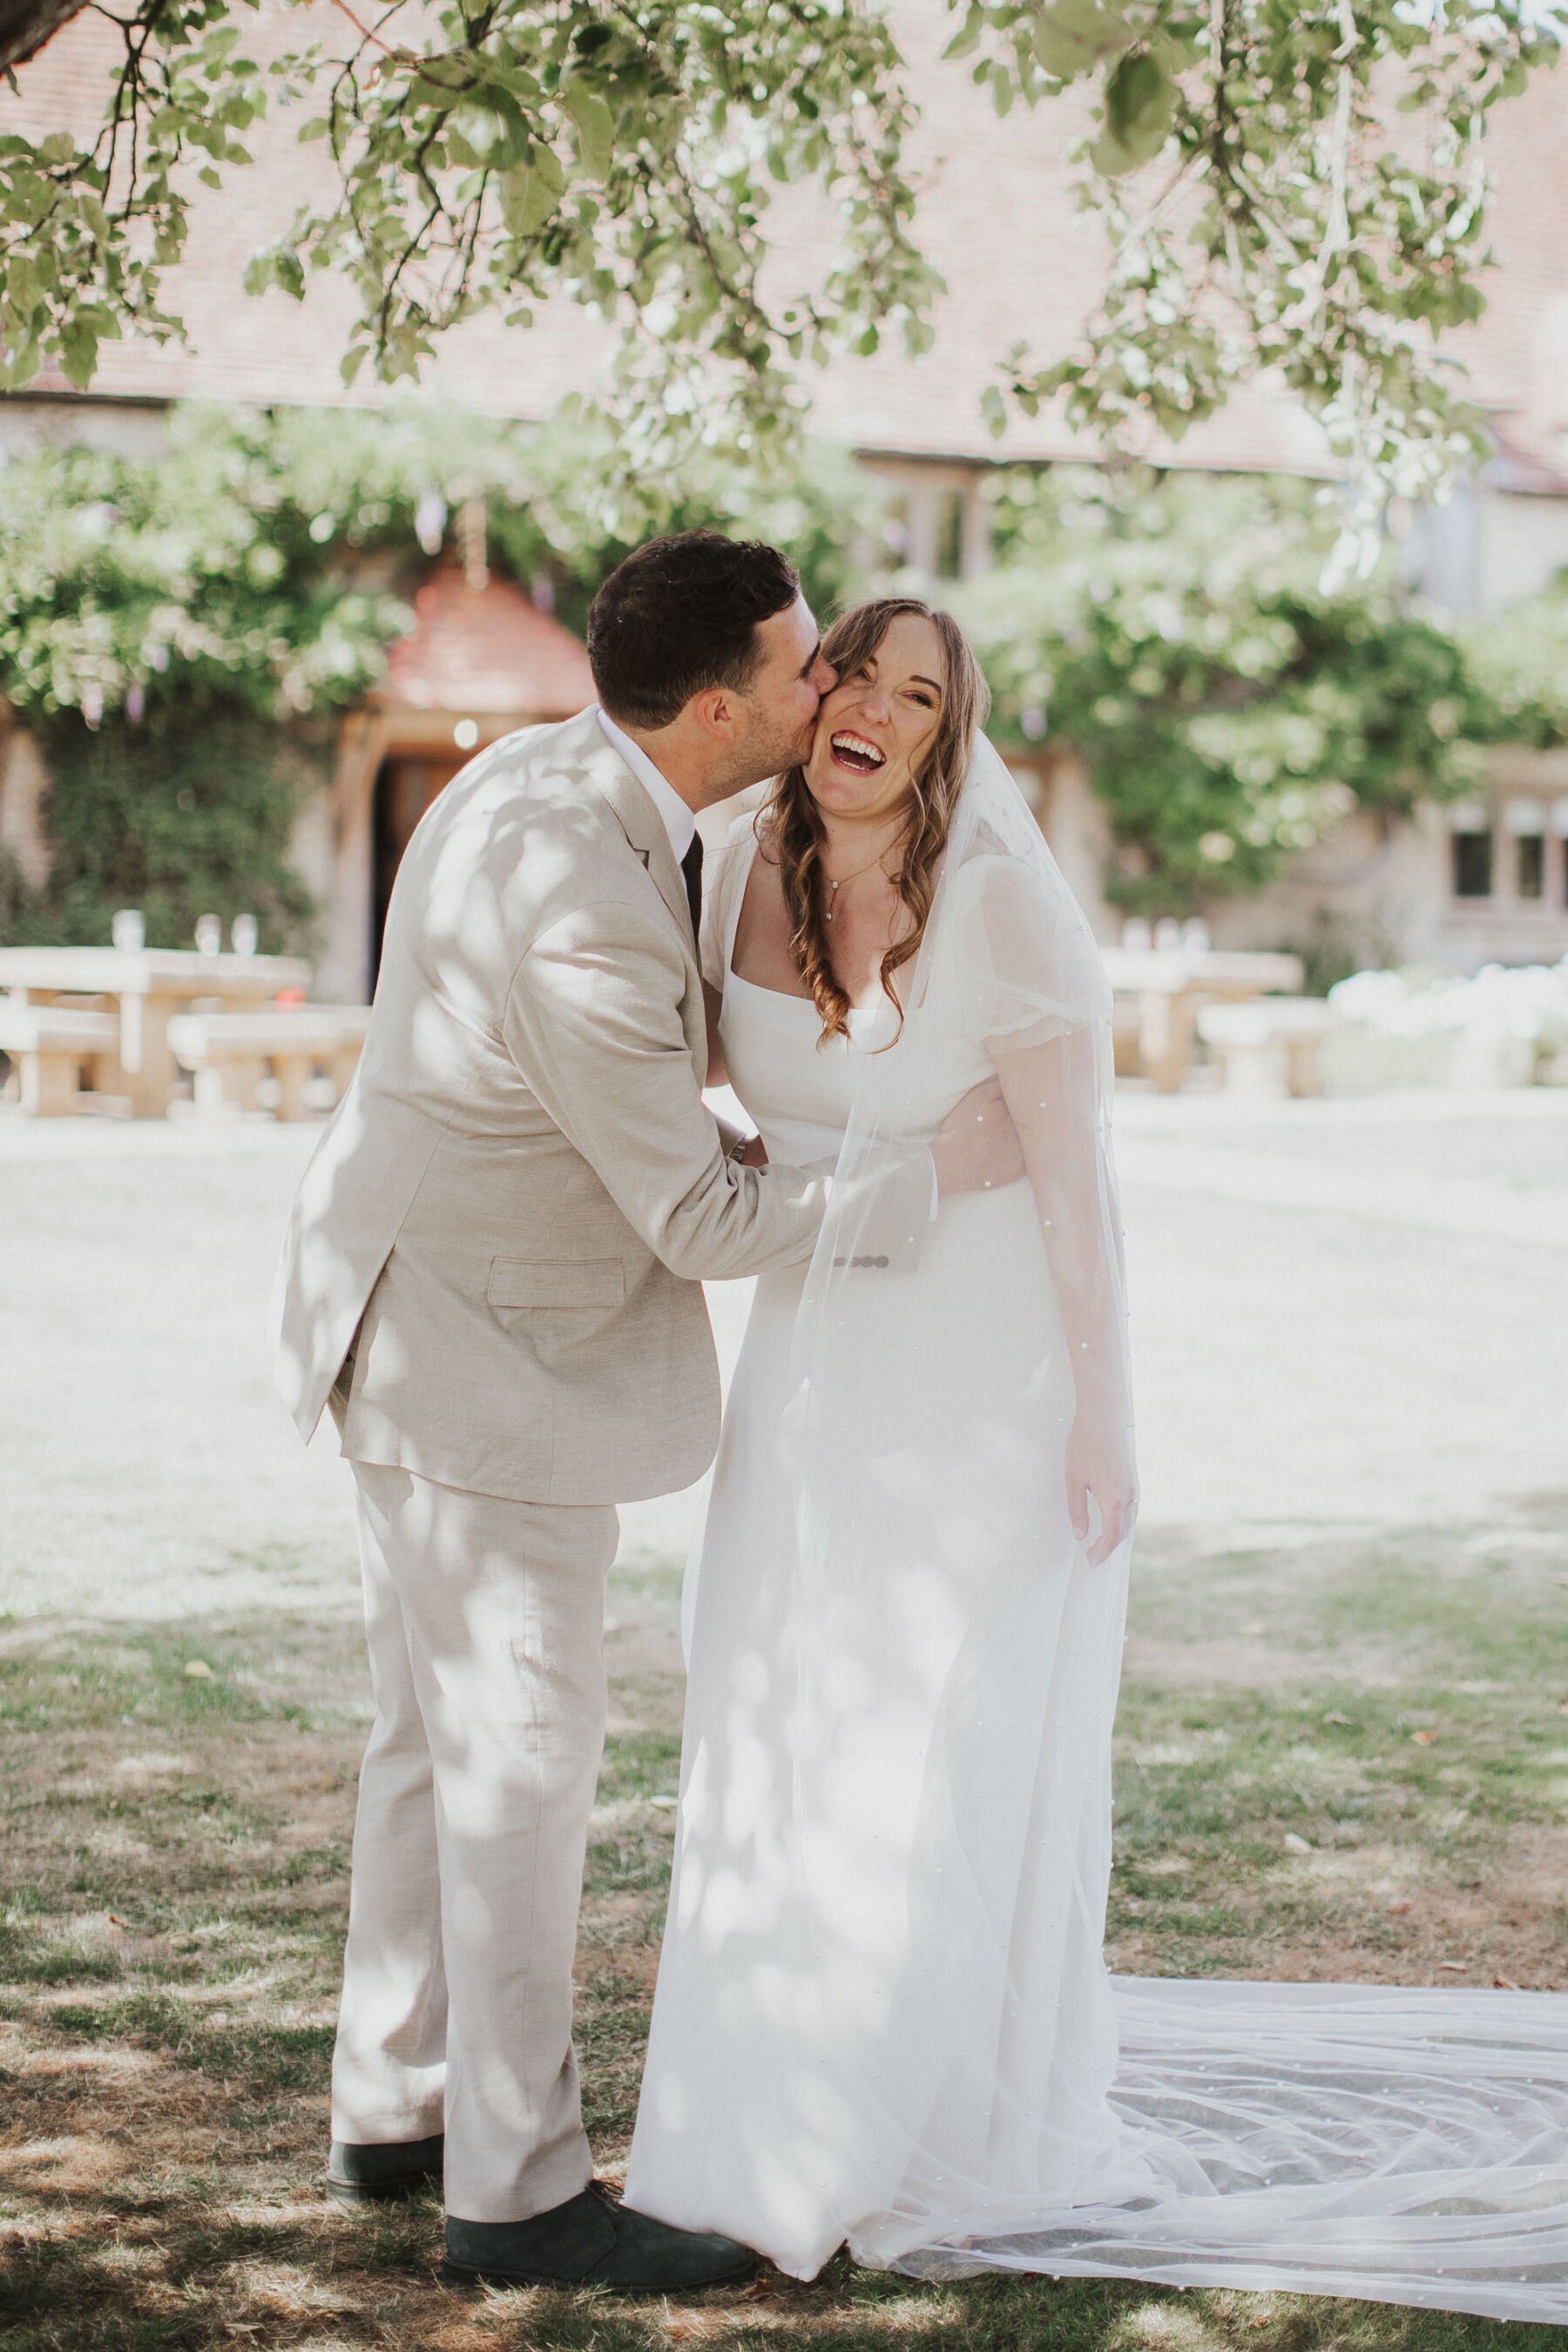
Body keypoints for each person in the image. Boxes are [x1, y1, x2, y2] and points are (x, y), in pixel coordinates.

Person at [623, 598, 1568, 2320]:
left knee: (931, 1743)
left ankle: (901, 2133)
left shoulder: (995, 904)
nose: (883, 717)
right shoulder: (717, 876)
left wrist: (1105, 1417)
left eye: (927, 700)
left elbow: (1079, 1187)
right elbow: (712, 1115)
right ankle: (752, 2127)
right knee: (779, 1721)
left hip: (982, 1376)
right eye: (863, 679)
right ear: (809, 687)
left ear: (943, 735)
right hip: (814, 1372)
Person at [269, 536, 1022, 2295]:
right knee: (520, 1757)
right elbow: (694, 1218)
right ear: (716, 710)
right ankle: (518, 2192)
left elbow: (640, 1122)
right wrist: (910, 1184)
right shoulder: (580, 890)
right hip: (475, 1354)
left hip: (408, 1301)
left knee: (421, 1738)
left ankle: (397, 2099)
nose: (827, 690)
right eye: (801, 671)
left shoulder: (568, 773)